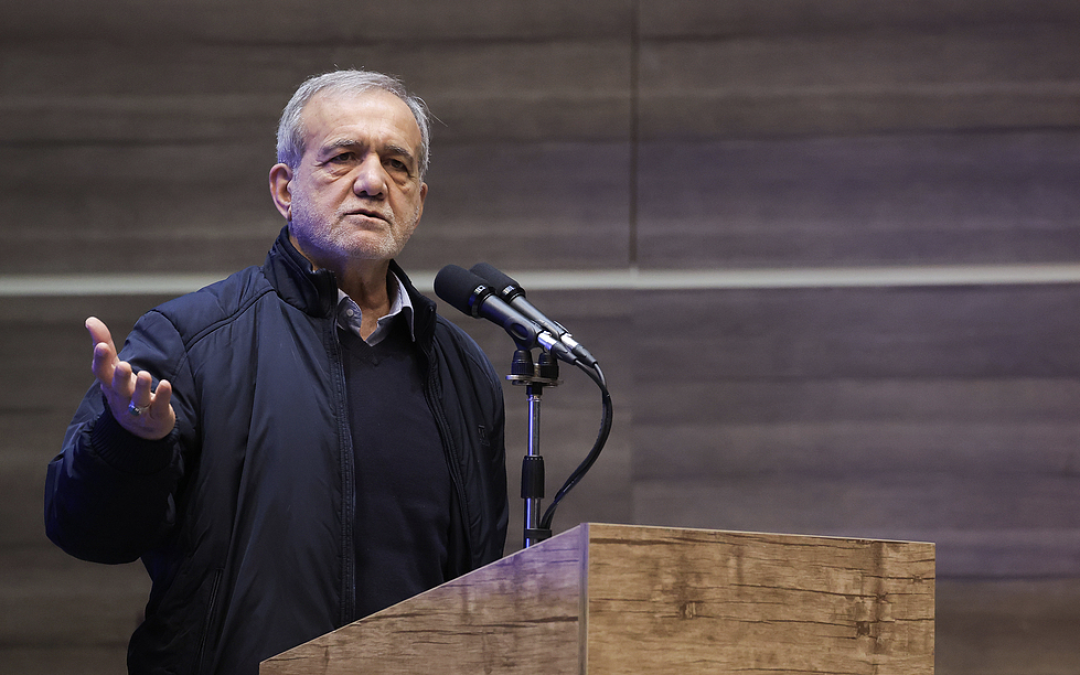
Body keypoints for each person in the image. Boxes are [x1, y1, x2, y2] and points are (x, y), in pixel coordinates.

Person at [44, 69, 508, 675]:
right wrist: (130, 443)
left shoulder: (463, 371)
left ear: (418, 202)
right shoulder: (191, 340)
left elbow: (478, 576)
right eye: (343, 157)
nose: (373, 182)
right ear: (285, 189)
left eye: (397, 164)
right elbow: (85, 532)